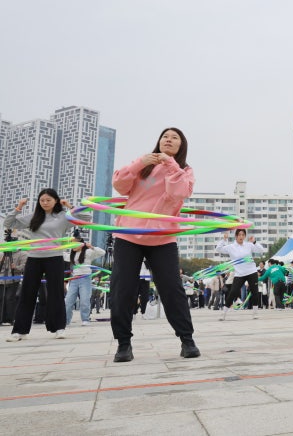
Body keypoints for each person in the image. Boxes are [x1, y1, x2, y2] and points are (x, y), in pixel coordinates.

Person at [107, 127, 200, 362]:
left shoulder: (184, 171)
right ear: (158, 141)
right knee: (122, 289)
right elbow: (119, 185)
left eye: (175, 137)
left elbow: (178, 192)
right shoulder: (142, 166)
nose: (168, 139)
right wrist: (139, 163)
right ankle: (123, 344)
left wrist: (170, 164)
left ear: (181, 145)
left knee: (172, 288)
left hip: (162, 236)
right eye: (165, 136)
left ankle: (187, 340)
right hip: (129, 234)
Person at [5, 189, 89, 342]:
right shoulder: (33, 217)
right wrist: (18, 207)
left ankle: (59, 328)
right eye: (42, 200)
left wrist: (69, 205)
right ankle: (19, 331)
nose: (44, 203)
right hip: (34, 258)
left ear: (56, 201)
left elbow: (86, 218)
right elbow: (8, 223)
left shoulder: (63, 217)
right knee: (27, 294)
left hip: (54, 258)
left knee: (56, 294)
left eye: (48, 200)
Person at [216, 229, 265, 321]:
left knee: (255, 292)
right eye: (239, 235)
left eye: (243, 235)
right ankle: (224, 313)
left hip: (251, 271)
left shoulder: (249, 245)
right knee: (233, 292)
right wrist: (224, 239)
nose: (241, 236)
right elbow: (218, 249)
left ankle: (255, 313)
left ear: (245, 236)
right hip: (239, 273)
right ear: (236, 236)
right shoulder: (231, 247)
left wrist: (254, 242)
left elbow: (261, 250)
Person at [65, 240, 105, 327]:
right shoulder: (72, 255)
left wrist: (91, 246)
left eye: (74, 243)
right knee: (68, 301)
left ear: (81, 244)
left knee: (84, 300)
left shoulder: (88, 252)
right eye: (71, 244)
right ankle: (66, 321)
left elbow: (102, 252)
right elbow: (61, 254)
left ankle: (85, 319)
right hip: (74, 279)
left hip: (85, 278)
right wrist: (60, 246)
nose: (73, 246)